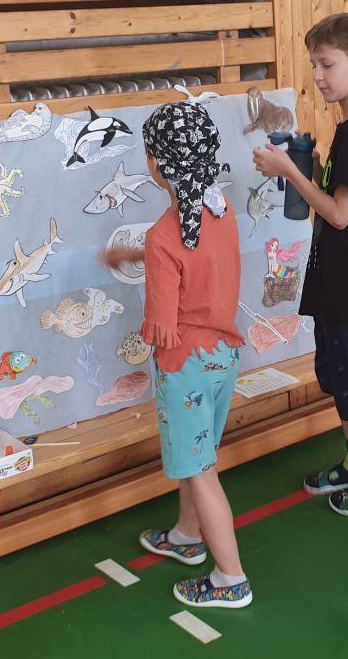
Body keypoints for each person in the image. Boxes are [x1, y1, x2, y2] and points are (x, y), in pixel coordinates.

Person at [253, 12, 348, 522]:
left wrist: (289, 171)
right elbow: (341, 198)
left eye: (327, 64)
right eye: (314, 65)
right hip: (339, 282)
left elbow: (340, 215)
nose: (317, 76)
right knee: (343, 378)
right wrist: (313, 166)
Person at [102, 101, 252, 608]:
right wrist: (141, 255)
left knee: (201, 471)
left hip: (184, 367)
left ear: (156, 164)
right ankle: (187, 536)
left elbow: (161, 326)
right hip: (224, 358)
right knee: (199, 457)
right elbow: (196, 256)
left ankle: (231, 578)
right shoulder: (222, 212)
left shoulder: (163, 234)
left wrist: (147, 274)